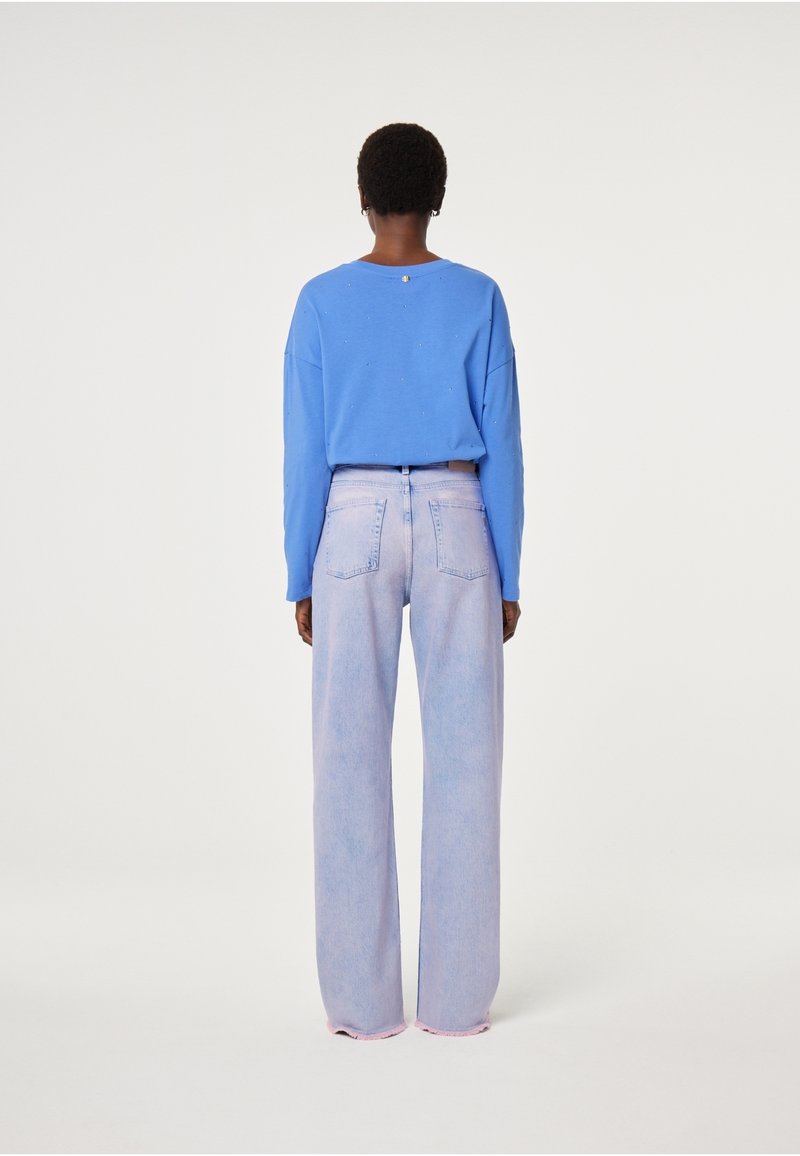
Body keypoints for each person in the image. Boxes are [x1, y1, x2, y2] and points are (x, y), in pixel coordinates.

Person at [283, 122, 524, 1040]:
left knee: (346, 760)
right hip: (461, 515)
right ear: (439, 197)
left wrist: (300, 567)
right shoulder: (479, 297)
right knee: (467, 763)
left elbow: (304, 446)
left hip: (352, 518)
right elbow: (505, 444)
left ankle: (361, 1005)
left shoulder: (320, 302)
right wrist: (509, 568)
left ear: (363, 198)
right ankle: (457, 1005)